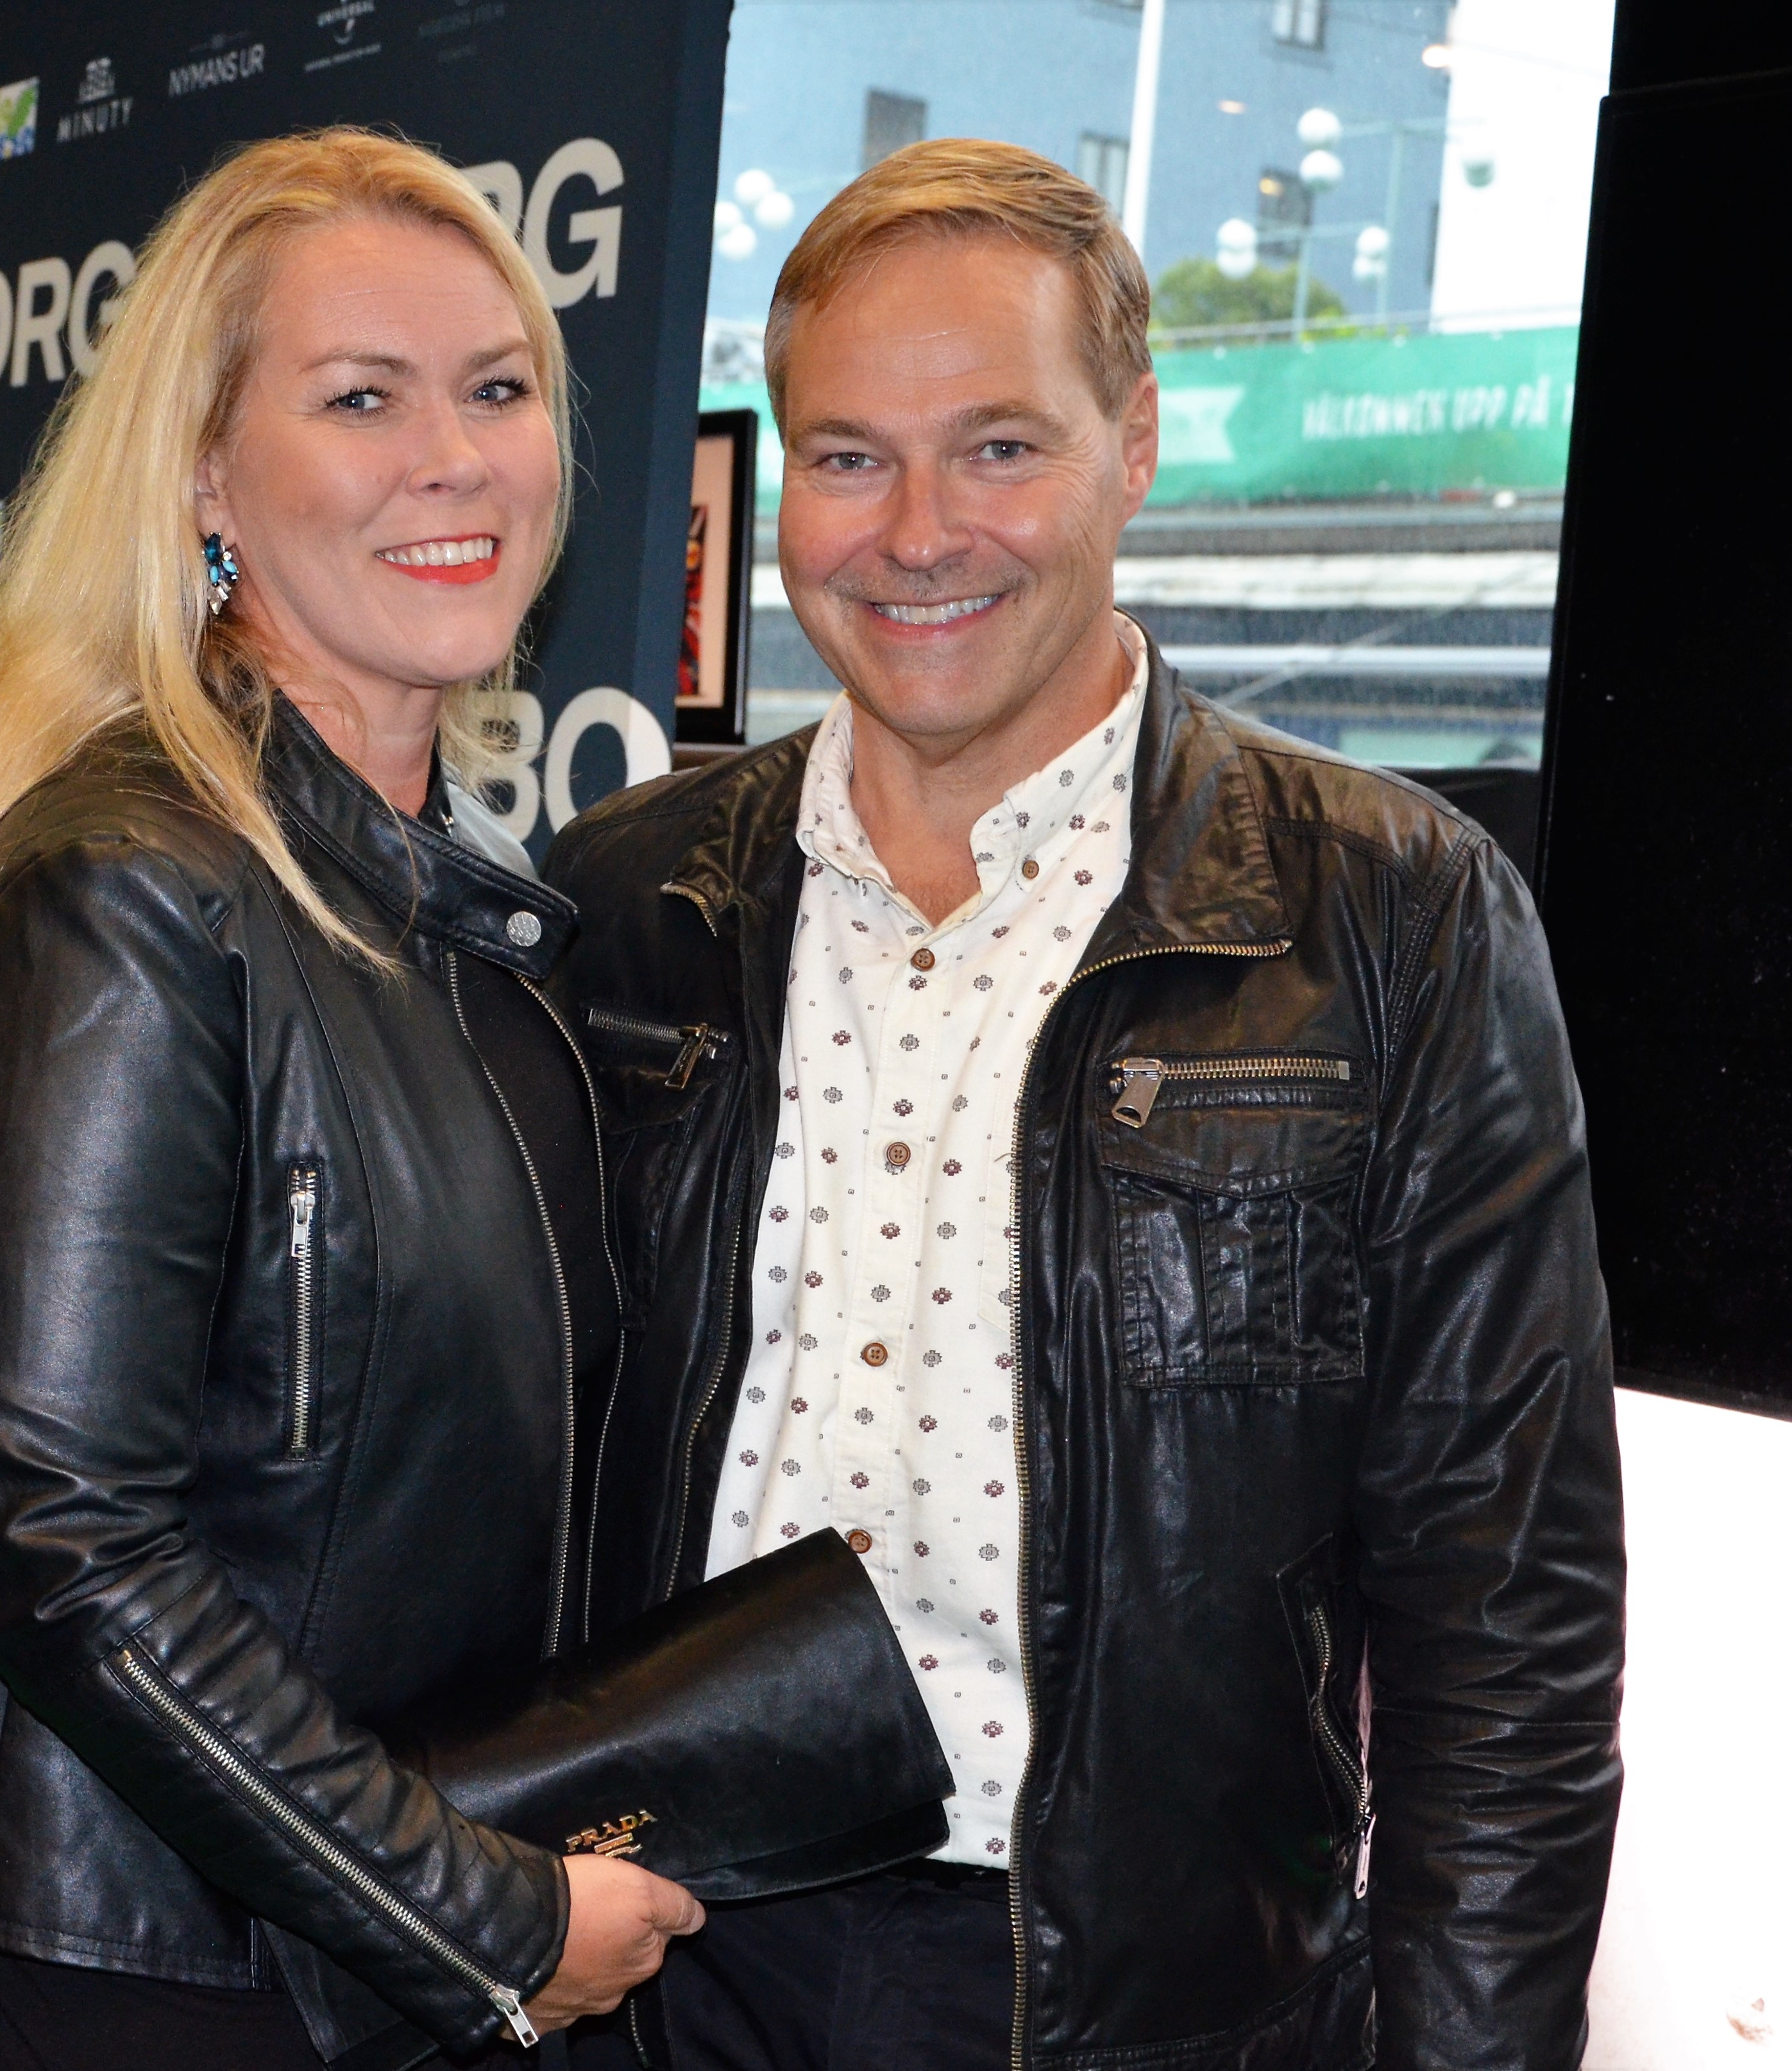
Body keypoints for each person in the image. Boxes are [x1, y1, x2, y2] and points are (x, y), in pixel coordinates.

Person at [546, 139, 1623, 2071]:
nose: (918, 533)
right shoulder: (628, 906)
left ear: (1135, 446)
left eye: (1000, 448)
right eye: (852, 456)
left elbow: (1506, 1617)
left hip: (1143, 2001)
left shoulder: (1396, 918)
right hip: (656, 1969)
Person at [0, 129, 702, 2070]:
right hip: (169, 1955)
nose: (454, 458)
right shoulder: (126, 895)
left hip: (378, 1895)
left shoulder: (466, 912)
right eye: (361, 399)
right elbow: (68, 1550)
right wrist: (483, 1919)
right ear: (204, 472)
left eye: (498, 391)